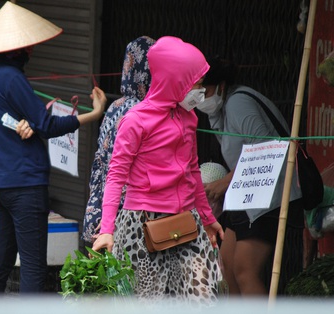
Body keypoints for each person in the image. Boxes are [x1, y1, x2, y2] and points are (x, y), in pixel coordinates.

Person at [0, 1, 106, 294]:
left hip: (1, 183)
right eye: (27, 46)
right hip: (25, 184)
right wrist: (94, 114)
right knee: (33, 267)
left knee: (0, 263)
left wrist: (30, 122)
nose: (31, 50)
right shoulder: (11, 76)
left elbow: (17, 120)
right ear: (13, 48)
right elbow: (47, 125)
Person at [91, 36, 224, 306]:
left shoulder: (189, 118)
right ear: (176, 82)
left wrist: (208, 218)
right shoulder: (135, 121)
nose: (201, 91)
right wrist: (107, 229)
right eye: (196, 85)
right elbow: (115, 176)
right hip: (141, 225)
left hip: (187, 222)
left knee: (202, 300)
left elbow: (193, 172)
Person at [198, 57, 304, 296]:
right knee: (226, 266)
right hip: (246, 195)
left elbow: (265, 149)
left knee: (245, 268)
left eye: (204, 91)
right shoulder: (220, 110)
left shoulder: (238, 103)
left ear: (221, 86)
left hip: (269, 193)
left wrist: (225, 182)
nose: (200, 99)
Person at [82, 36, 155, 243]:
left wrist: (99, 211)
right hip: (129, 213)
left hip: (104, 205)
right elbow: (123, 168)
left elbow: (101, 163)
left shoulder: (116, 106)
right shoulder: (144, 111)